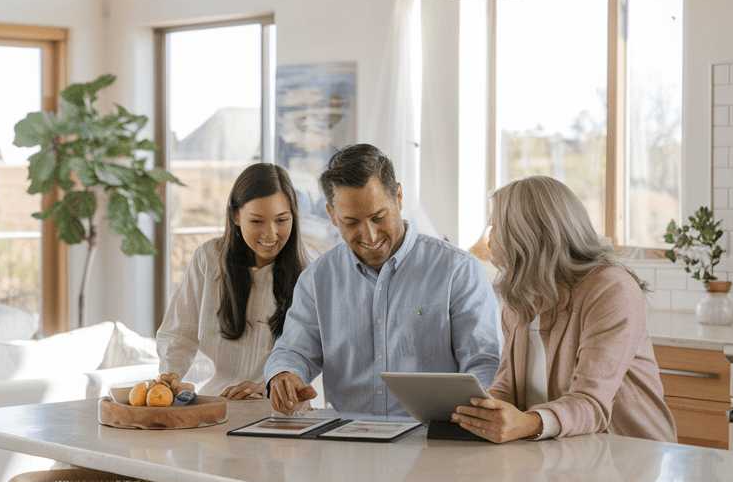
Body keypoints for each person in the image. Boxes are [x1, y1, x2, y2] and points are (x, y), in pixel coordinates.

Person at [264, 144, 501, 417]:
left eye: (379, 217)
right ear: (331, 215)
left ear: (398, 197)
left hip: (433, 440)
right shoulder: (317, 279)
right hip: (347, 440)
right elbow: (294, 351)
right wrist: (285, 374)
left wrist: (474, 414)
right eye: (351, 222)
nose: (370, 235)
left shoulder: (458, 270)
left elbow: (485, 362)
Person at [453, 175, 677, 443]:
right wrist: (468, 413)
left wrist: (527, 422)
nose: (489, 244)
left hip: (627, 457)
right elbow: (507, 389)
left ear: (526, 234)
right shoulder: (521, 300)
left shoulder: (611, 289)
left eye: (495, 228)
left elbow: (591, 403)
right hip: (560, 455)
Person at [157, 163, 310, 399]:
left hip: (278, 407)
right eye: (257, 221)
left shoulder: (309, 273)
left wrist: (268, 388)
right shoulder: (208, 258)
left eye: (281, 220)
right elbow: (179, 334)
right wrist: (171, 375)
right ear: (236, 216)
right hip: (217, 401)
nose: (270, 234)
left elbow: (311, 355)